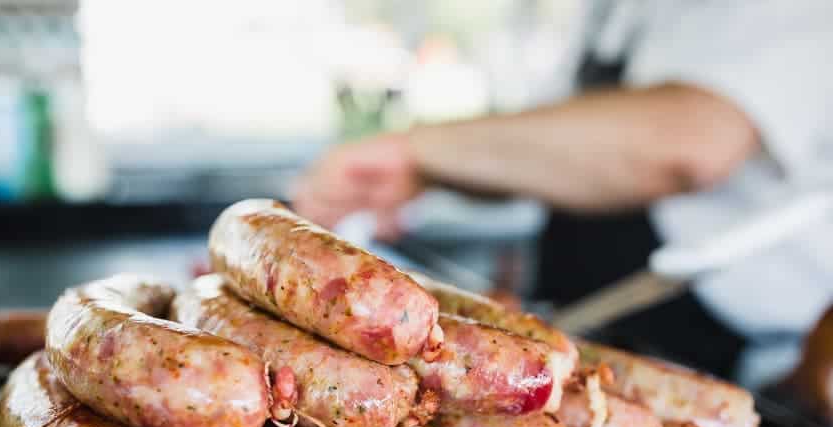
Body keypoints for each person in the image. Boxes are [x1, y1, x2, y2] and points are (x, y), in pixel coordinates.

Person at [293, 1, 833, 377]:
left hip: (741, 358)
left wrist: (416, 148)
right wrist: (424, 174)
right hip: (592, 331)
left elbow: (689, 144)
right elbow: (558, 149)